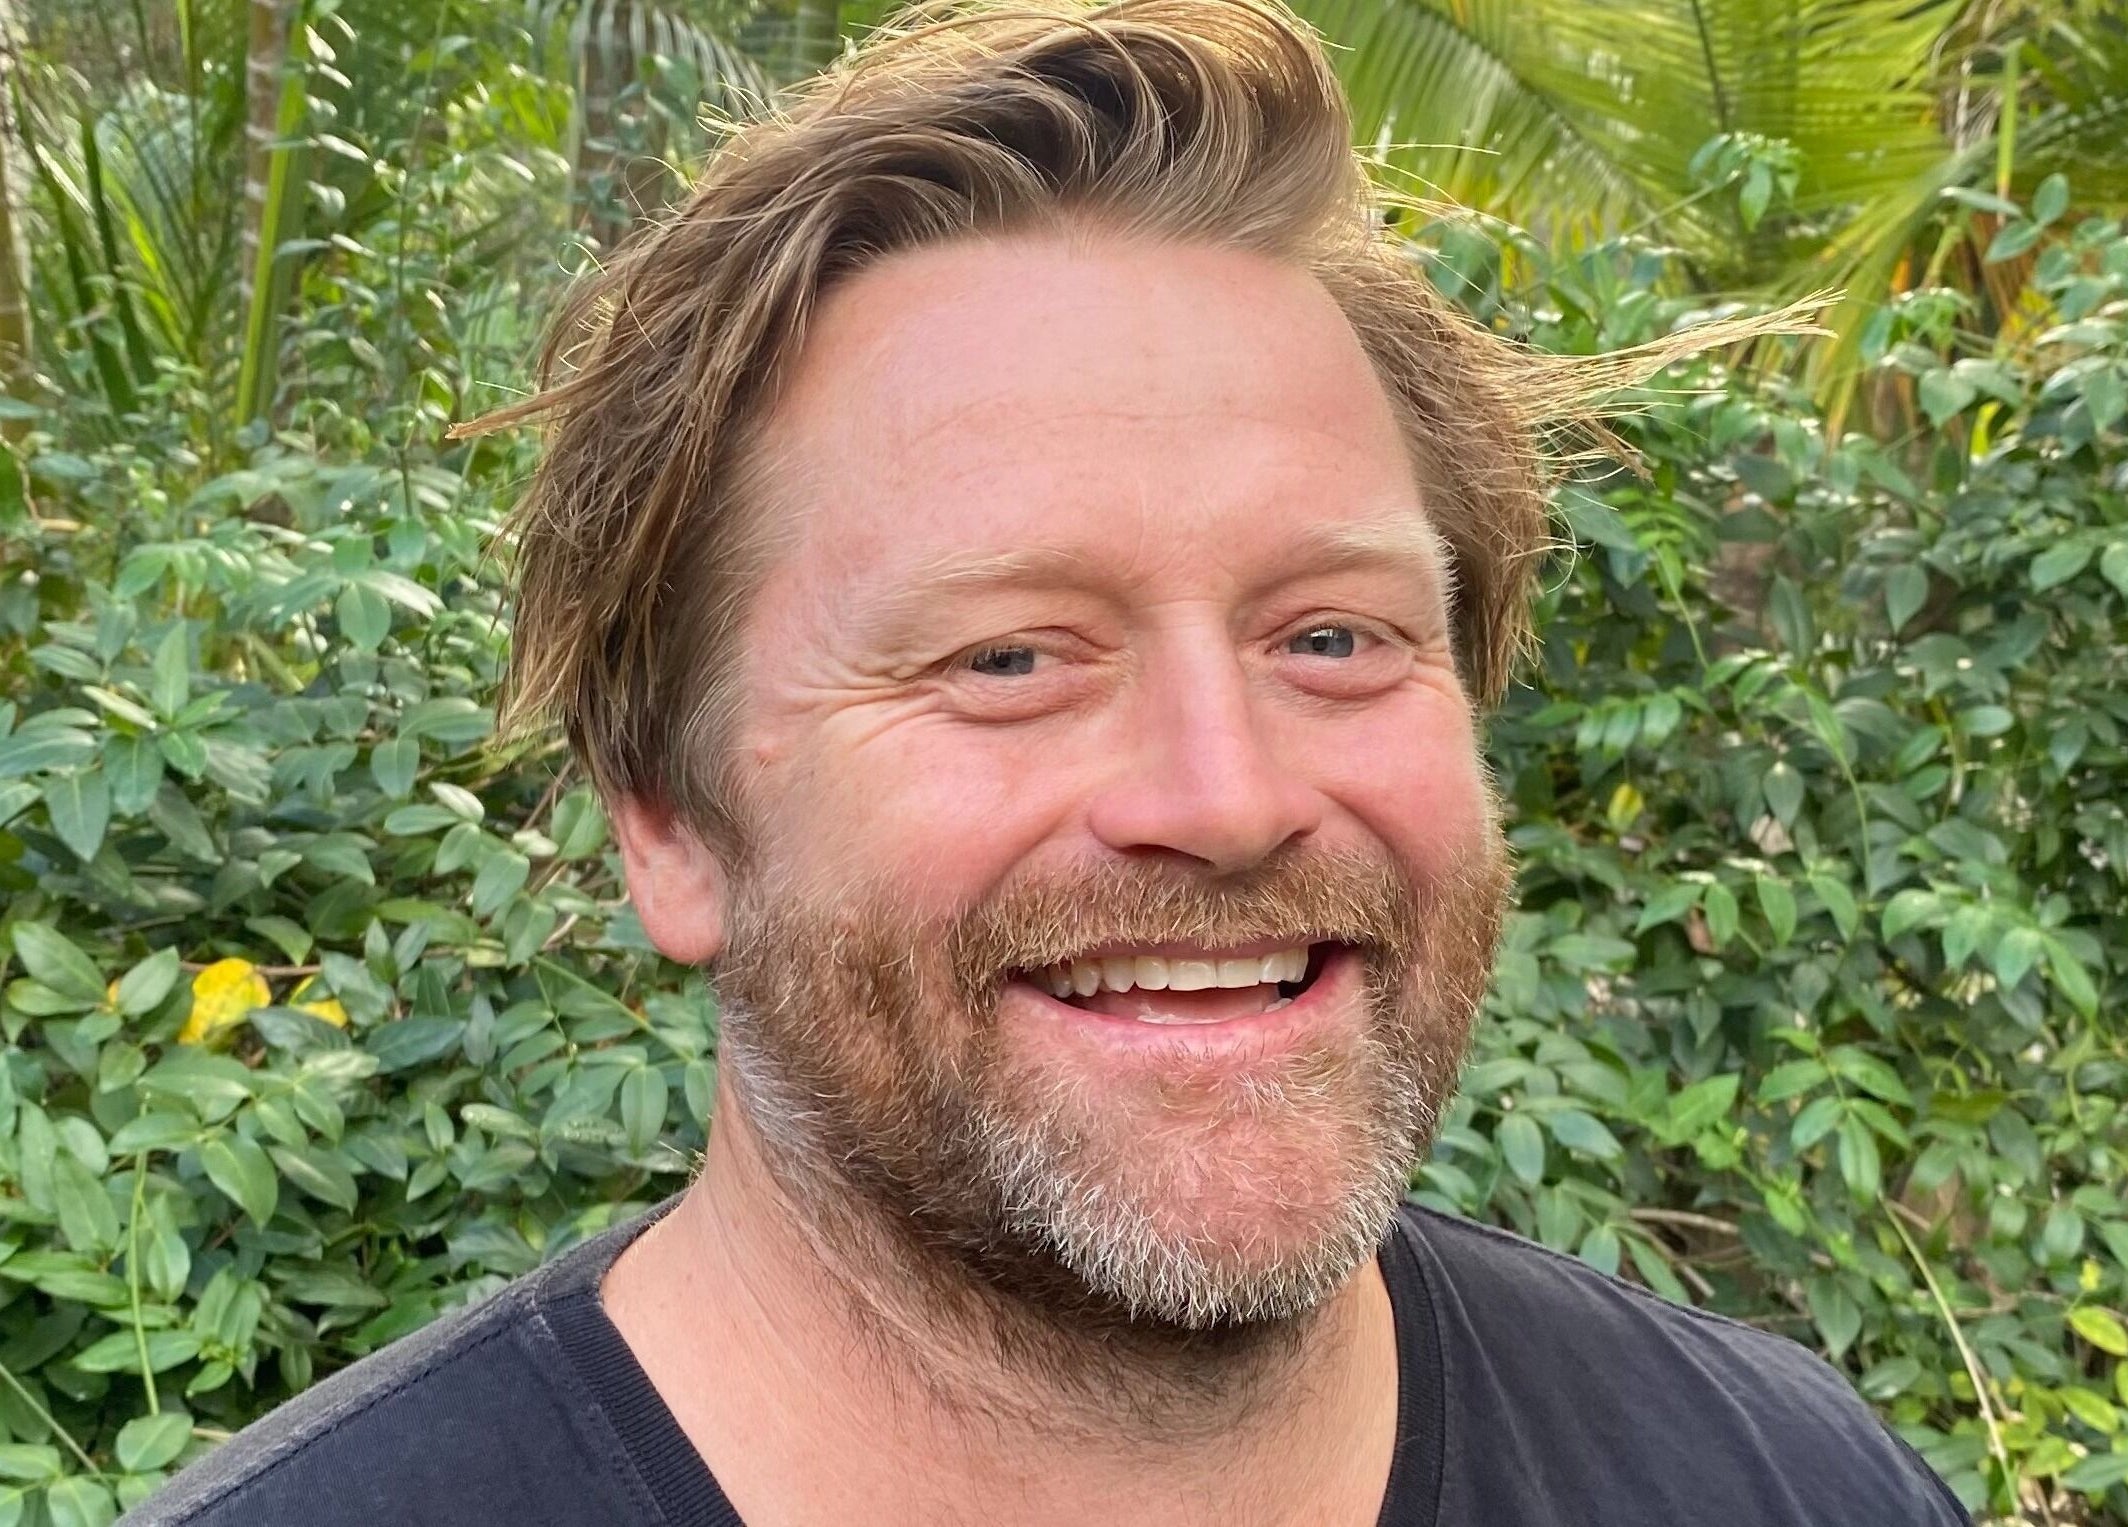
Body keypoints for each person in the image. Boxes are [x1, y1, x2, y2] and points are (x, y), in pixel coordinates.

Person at [125, 1, 1972, 1523]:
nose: (1225, 796)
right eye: (1006, 657)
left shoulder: (1787, 1484)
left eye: (1332, 636)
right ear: (671, 821)